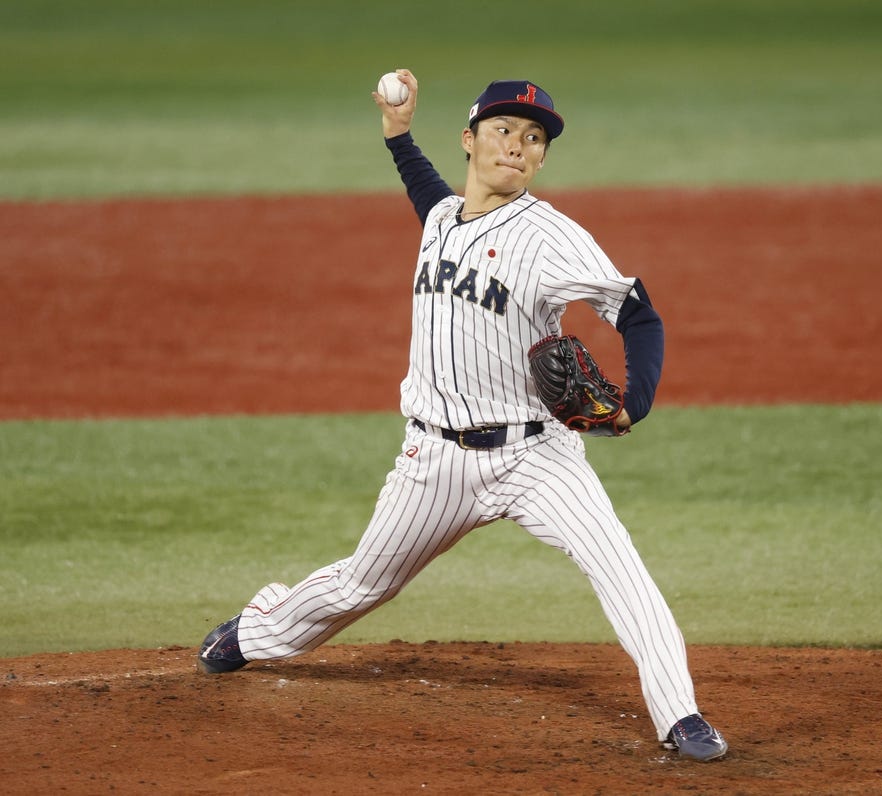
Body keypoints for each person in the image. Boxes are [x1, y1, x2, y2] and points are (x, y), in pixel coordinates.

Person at [197, 69, 727, 762]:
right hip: (435, 461)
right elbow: (430, 197)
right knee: (363, 581)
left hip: (536, 456)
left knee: (619, 568)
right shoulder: (445, 217)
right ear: (470, 140)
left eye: (534, 138)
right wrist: (397, 134)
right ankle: (258, 630)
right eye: (504, 130)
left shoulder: (551, 237)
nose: (518, 145)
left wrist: (635, 403)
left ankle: (680, 714)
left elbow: (638, 313)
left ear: (541, 157)